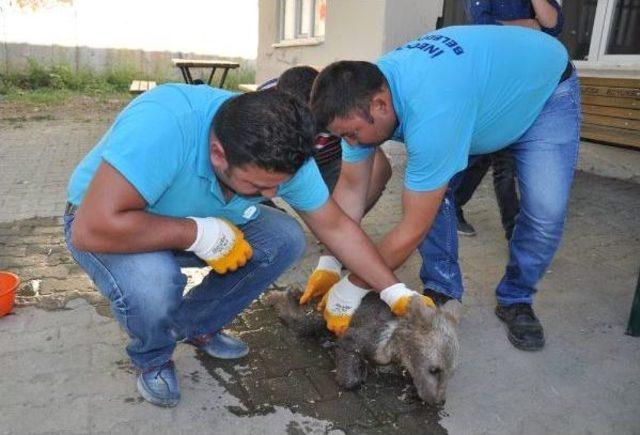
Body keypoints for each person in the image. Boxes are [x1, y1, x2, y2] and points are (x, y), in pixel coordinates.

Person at [63, 85, 429, 407]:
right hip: (114, 223)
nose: (272, 195)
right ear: (219, 154)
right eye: (257, 186)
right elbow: (89, 230)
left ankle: (195, 325)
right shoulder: (165, 125)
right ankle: (154, 356)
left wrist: (394, 291)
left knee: (284, 238)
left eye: (278, 186)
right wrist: (195, 234)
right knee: (155, 284)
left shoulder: (282, 148)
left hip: (206, 217)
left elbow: (335, 226)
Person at [307, 25, 580, 351]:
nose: (350, 143)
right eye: (344, 136)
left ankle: (516, 297)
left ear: (381, 105)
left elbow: (411, 228)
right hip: (478, 97)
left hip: (543, 92)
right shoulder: (358, 100)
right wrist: (330, 261)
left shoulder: (432, 112)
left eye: (352, 135)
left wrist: (354, 286)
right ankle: (443, 287)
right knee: (430, 188)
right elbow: (352, 190)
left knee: (545, 211)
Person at [455, 0, 564, 239]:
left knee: (486, 157)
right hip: (495, 81)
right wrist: (525, 24)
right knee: (503, 163)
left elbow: (553, 27)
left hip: (526, 83)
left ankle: (453, 205)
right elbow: (481, 25)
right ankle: (514, 232)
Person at [259, 65, 392, 199]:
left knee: (340, 206)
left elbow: (379, 168)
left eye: (318, 124)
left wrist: (347, 217)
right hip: (284, 162)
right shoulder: (260, 110)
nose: (310, 133)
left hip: (331, 162)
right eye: (297, 123)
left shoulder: (337, 103)